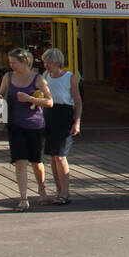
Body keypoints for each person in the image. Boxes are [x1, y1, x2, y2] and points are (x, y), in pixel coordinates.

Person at [0, 47, 53, 211]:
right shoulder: (8, 77)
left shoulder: (38, 79)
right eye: (10, 62)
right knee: (20, 161)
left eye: (14, 63)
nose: (11, 65)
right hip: (15, 125)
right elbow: (1, 93)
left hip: (35, 125)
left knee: (36, 162)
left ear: (25, 62)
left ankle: (42, 189)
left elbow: (50, 102)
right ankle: (23, 198)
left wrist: (30, 98)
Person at [41, 48, 82, 205]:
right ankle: (59, 190)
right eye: (45, 62)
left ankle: (65, 192)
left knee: (60, 155)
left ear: (57, 61)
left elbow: (77, 101)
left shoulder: (69, 77)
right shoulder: (45, 76)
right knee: (52, 156)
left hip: (64, 114)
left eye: (48, 62)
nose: (46, 65)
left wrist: (77, 122)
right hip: (49, 113)